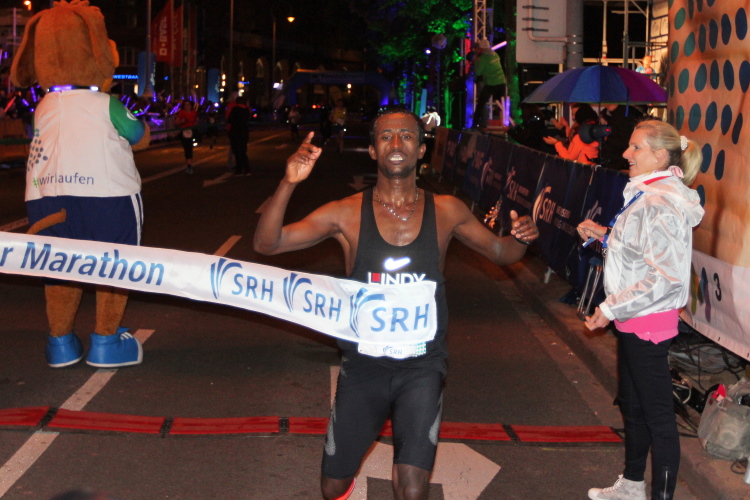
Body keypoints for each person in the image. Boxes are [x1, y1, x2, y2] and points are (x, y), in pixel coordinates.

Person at [254, 107, 539, 500]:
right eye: (386, 136)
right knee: (332, 486)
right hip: (364, 366)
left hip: (422, 364)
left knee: (412, 488)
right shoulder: (346, 213)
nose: (396, 143)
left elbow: (501, 252)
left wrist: (521, 238)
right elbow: (267, 243)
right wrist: (288, 183)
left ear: (421, 150)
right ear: (373, 150)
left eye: (406, 135)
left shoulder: (448, 210)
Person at [578, 120, 704, 500]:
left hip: (646, 321)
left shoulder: (658, 202)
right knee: (633, 408)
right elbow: (640, 250)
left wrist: (610, 307)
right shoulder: (650, 193)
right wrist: (604, 234)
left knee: (658, 418)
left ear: (660, 156)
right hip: (634, 319)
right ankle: (632, 486)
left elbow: (666, 279)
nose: (625, 153)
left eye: (636, 148)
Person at [471, 38, 506, 129]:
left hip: (491, 84)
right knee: (501, 105)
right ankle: (505, 124)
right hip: (501, 82)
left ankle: (474, 125)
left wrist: (476, 61)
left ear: (481, 48)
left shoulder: (483, 58)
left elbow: (478, 72)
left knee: (481, 104)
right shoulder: (495, 54)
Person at [227, 95, 251, 176]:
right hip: (244, 133)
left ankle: (239, 169)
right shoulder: (246, 110)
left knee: (237, 152)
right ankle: (247, 169)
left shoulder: (235, 109)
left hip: (235, 132)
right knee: (243, 152)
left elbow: (230, 119)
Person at [174, 100, 199, 174]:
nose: (187, 106)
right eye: (185, 105)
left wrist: (196, 124)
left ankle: (189, 164)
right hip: (184, 131)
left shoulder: (194, 113)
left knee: (190, 147)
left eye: (188, 105)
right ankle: (189, 165)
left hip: (192, 131)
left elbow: (197, 121)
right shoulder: (181, 112)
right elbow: (176, 122)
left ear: (191, 106)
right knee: (187, 148)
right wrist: (182, 121)